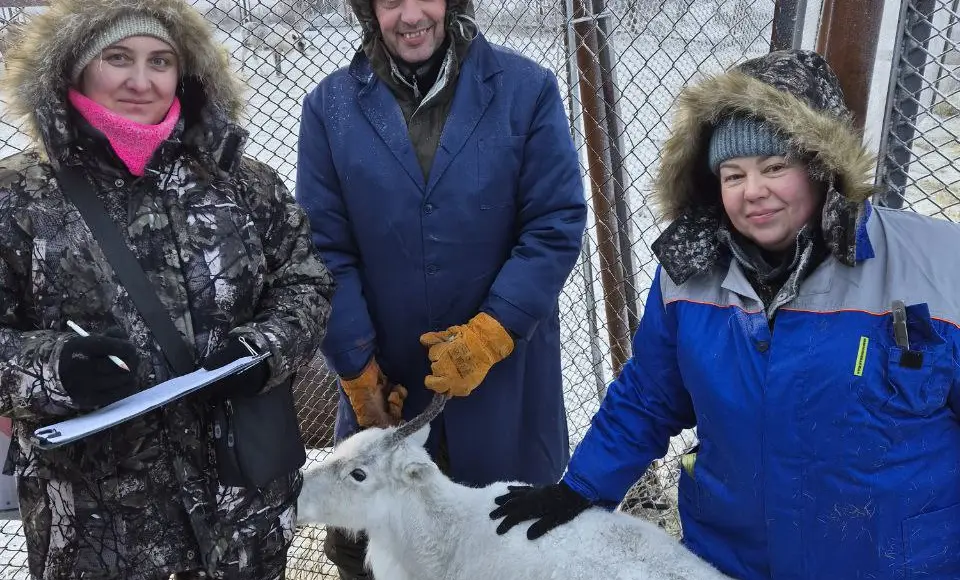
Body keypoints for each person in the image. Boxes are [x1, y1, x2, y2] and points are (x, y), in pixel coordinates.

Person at [490, 49, 960, 579]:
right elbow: (649, 398)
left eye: (775, 167)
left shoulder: (938, 264)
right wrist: (580, 489)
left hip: (896, 561)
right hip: (732, 561)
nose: (752, 191)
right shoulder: (689, 277)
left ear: (822, 165)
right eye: (732, 175)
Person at [0, 1, 335, 578]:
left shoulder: (242, 183)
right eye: (117, 58)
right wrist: (55, 368)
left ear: (185, 72)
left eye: (160, 60)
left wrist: (265, 348)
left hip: (243, 507)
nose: (140, 80)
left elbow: (306, 282)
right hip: (99, 525)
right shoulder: (18, 199)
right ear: (75, 67)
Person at [294, 0, 587, 577]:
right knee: (377, 556)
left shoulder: (526, 91)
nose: (410, 16)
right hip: (390, 383)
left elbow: (554, 223)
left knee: (510, 548)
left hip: (505, 384)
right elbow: (324, 249)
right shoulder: (330, 108)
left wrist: (492, 332)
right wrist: (358, 370)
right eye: (389, 1)